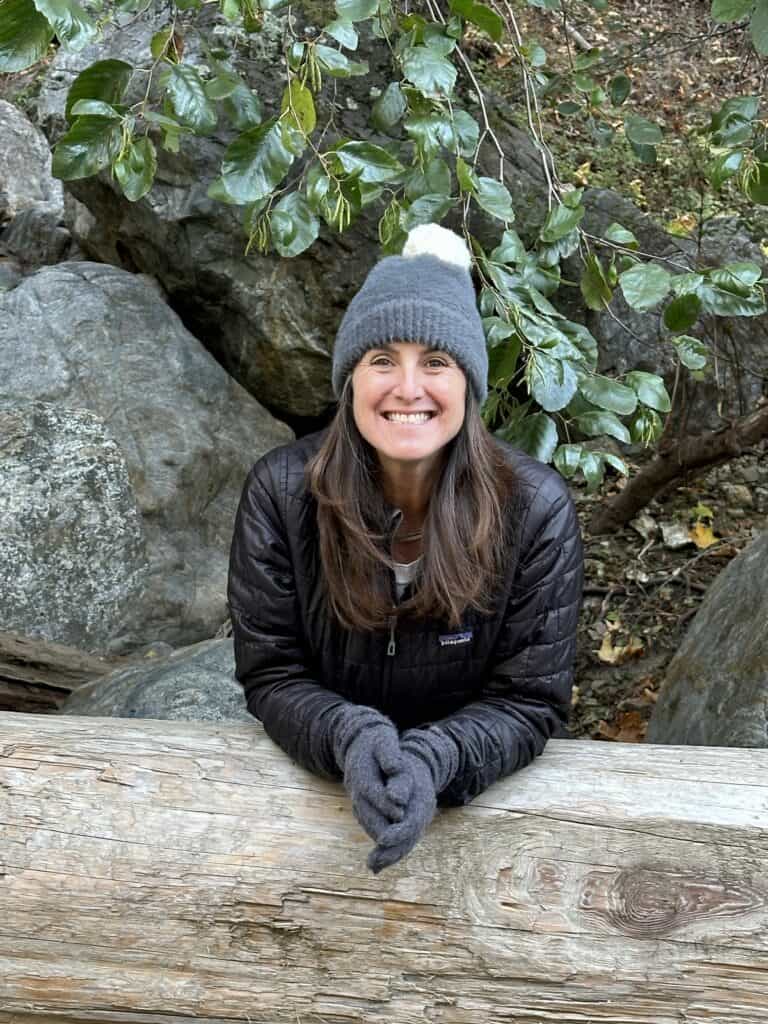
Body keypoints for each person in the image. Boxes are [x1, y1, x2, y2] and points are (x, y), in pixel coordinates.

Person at [227, 223, 584, 874]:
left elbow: (531, 700)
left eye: (436, 362)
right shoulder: (281, 494)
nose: (409, 388)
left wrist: (435, 757)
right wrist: (349, 735)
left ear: (468, 383)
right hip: (314, 799)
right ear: (351, 379)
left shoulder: (536, 510)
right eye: (383, 359)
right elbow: (272, 672)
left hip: (474, 809)